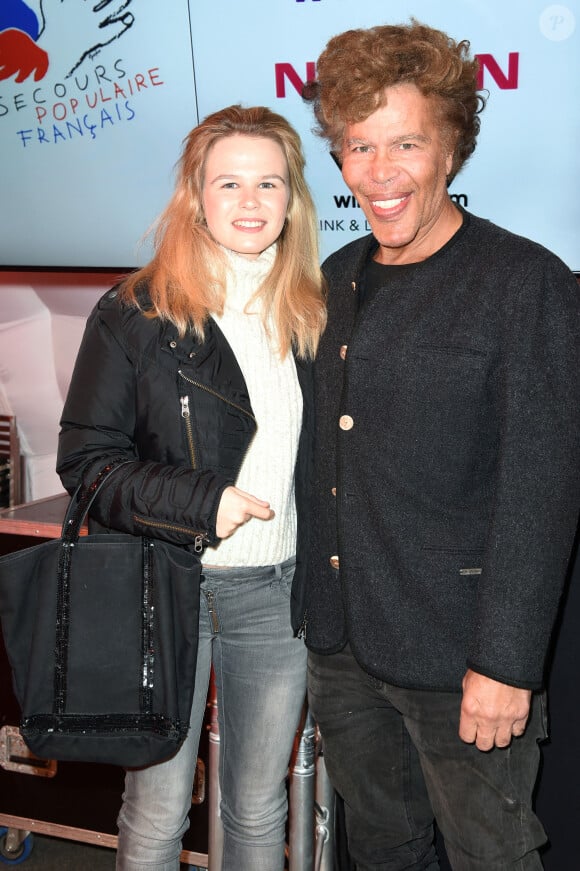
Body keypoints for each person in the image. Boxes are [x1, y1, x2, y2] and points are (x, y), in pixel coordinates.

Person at [302, 20, 580, 871]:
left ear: (451, 148)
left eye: (404, 144)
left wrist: (505, 662)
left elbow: (542, 485)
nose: (375, 174)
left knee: (489, 855)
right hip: (342, 648)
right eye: (356, 146)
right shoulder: (334, 278)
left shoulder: (524, 282)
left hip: (461, 657)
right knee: (383, 849)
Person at [56, 104, 326, 871]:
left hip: (276, 594)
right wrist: (204, 501)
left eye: (268, 182)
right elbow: (87, 464)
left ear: (292, 198)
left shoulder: (316, 309)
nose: (250, 201)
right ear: (195, 196)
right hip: (163, 585)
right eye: (229, 182)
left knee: (257, 805)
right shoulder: (137, 311)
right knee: (158, 806)